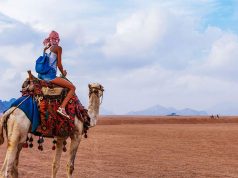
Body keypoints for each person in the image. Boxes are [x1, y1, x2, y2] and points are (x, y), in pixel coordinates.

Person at [38, 31, 75, 119]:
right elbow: (59, 65)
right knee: (72, 88)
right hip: (50, 76)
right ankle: (62, 108)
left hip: (41, 75)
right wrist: (63, 74)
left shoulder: (46, 49)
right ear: (57, 39)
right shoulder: (58, 48)